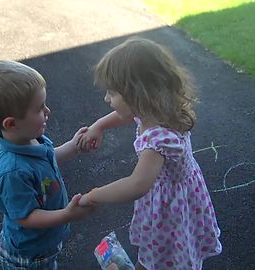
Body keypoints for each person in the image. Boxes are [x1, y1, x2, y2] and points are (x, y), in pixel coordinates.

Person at [78, 38, 222, 269]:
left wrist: (93, 195)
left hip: (169, 210)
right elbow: (124, 115)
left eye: (112, 92)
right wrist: (99, 125)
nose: (107, 98)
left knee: (163, 255)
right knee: (168, 253)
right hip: (182, 195)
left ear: (138, 95)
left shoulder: (157, 140)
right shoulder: (158, 110)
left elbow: (136, 184)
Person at [0, 60, 94, 270]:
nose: (48, 111)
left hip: (44, 242)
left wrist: (73, 147)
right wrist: (67, 215)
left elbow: (48, 158)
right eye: (39, 108)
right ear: (11, 123)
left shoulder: (29, 139)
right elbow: (26, 217)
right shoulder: (13, 172)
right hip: (30, 256)